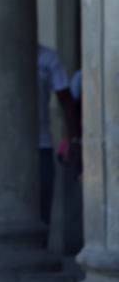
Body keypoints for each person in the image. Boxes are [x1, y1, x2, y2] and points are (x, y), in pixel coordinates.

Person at [38, 45, 80, 225]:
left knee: (41, 211)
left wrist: (71, 140)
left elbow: (67, 102)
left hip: (42, 145)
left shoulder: (48, 58)